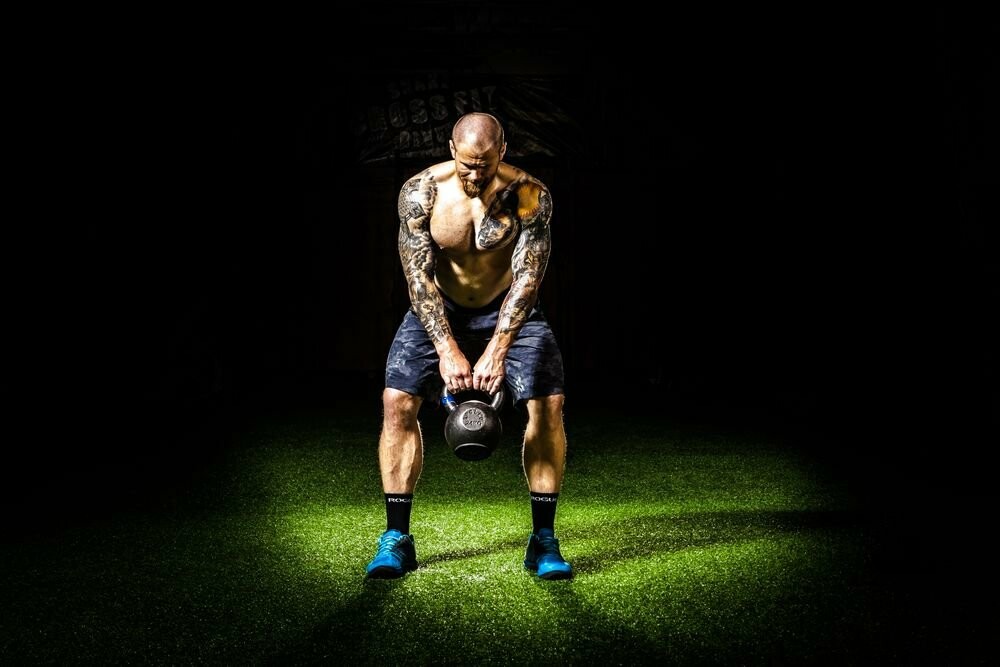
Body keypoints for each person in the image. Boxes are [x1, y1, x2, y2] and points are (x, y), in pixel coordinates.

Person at [365, 112, 572, 580]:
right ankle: (396, 537)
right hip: (439, 308)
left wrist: (497, 349)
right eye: (467, 164)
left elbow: (528, 278)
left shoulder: (527, 194)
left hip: (509, 309)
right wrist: (447, 348)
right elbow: (418, 278)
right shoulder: (422, 192)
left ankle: (543, 539)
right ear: (451, 150)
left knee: (548, 405)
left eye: (485, 164)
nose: (475, 174)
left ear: (503, 152)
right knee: (397, 401)